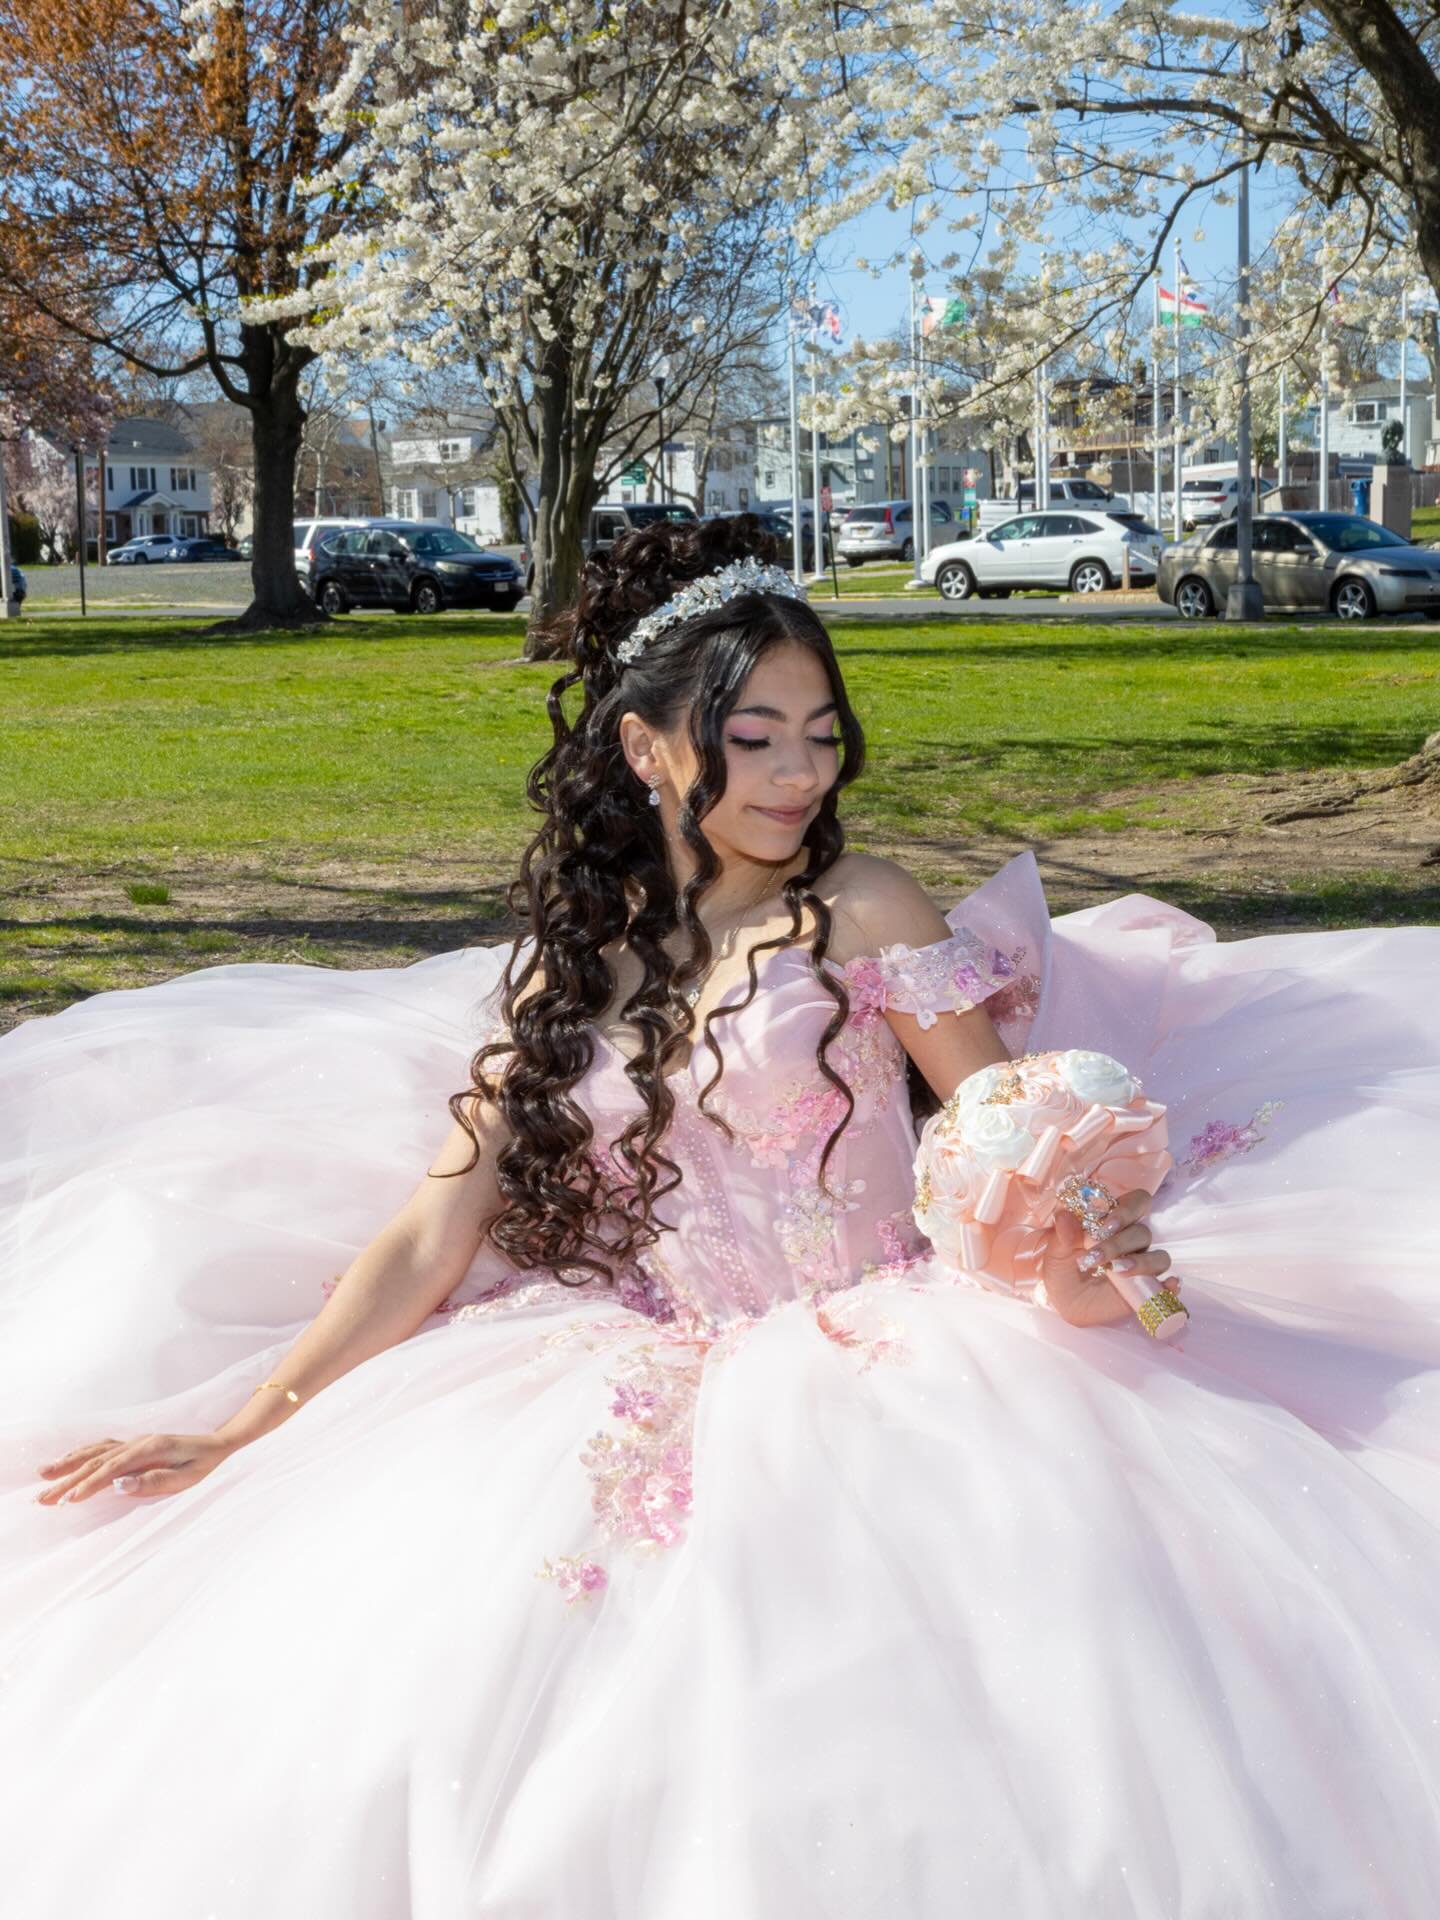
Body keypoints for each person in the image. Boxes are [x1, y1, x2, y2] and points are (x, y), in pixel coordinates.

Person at [2, 516, 1439, 1918]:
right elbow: (429, 1236)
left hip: (898, 1370)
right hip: (627, 1373)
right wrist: (257, 1420)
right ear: (647, 749)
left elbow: (1004, 1141)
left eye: (822, 731)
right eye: (753, 738)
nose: (800, 771)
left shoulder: (864, 908)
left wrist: (1077, 1257)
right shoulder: (575, 972)